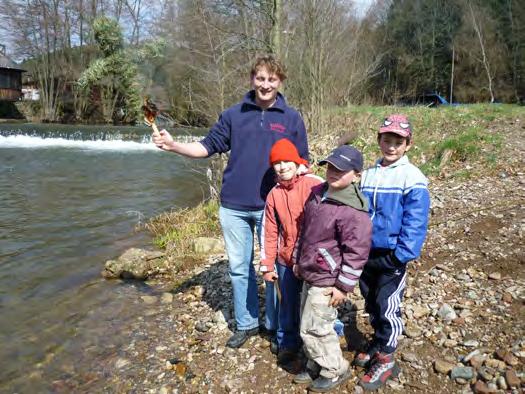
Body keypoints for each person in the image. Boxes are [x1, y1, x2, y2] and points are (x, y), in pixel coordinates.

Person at [150, 56, 309, 349]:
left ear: (280, 82)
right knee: (239, 268)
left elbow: (303, 162)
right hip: (233, 206)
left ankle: (276, 327)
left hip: (272, 207)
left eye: (271, 79)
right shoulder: (233, 115)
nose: (265, 84)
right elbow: (206, 147)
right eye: (260, 78)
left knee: (273, 267)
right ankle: (247, 323)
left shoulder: (291, 118)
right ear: (252, 79)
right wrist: (173, 146)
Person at [357, 114, 430, 390]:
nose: (391, 146)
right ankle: (378, 341)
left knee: (388, 304)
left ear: (408, 144)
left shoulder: (412, 177)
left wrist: (402, 254)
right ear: (379, 140)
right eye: (387, 139)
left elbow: (416, 220)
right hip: (366, 252)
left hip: (391, 255)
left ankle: (387, 356)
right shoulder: (369, 173)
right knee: (371, 300)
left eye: (398, 141)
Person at [293, 145, 372, 392]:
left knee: (315, 328)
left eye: (341, 170)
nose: (333, 173)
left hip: (328, 280)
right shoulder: (317, 193)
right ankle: (316, 362)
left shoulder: (353, 212)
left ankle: (335, 369)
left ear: (357, 175)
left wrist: (342, 287)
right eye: (330, 167)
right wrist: (297, 259)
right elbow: (305, 232)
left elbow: (357, 254)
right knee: (305, 323)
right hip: (310, 271)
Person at [259, 138, 323, 363]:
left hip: (313, 259)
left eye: (287, 161)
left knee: (315, 302)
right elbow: (269, 232)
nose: (282, 166)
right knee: (287, 301)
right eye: (277, 163)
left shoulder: (315, 184)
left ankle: (325, 338)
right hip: (285, 259)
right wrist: (267, 264)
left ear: (297, 162)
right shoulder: (273, 194)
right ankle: (288, 341)